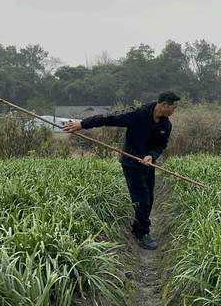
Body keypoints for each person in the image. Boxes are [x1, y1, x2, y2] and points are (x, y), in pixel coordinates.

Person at [62, 91, 180, 250]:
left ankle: (139, 226)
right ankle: (141, 233)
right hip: (131, 163)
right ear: (163, 105)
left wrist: (151, 156)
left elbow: (161, 145)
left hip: (148, 165)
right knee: (142, 198)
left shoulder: (166, 125)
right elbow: (108, 118)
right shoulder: (137, 114)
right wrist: (82, 124)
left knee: (149, 199)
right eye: (173, 107)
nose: (174, 111)